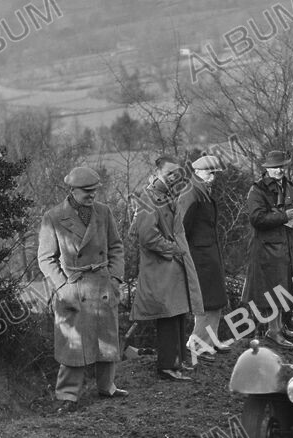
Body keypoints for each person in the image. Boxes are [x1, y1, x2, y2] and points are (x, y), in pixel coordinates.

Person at [37, 166, 126, 413]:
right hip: (73, 287)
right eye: (86, 191)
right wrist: (63, 286)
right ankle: (68, 397)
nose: (91, 195)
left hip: (102, 285)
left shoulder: (104, 212)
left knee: (107, 339)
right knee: (73, 345)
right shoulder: (53, 217)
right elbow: (45, 258)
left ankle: (107, 387)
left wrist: (116, 278)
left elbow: (117, 247)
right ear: (72, 190)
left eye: (94, 190)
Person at [131, 156, 205, 381]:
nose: (173, 177)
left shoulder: (169, 195)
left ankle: (179, 360)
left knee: (179, 312)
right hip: (162, 267)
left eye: (176, 173)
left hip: (174, 265)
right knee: (167, 316)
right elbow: (146, 235)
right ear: (157, 173)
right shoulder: (148, 198)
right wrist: (171, 249)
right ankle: (166, 367)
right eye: (169, 173)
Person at [242, 149, 293, 348]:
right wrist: (285, 216)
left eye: (281, 167)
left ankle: (282, 326)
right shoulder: (257, 190)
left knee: (287, 286)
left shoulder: (289, 187)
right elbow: (257, 219)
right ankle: (273, 330)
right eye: (275, 167)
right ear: (267, 168)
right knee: (273, 290)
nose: (279, 170)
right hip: (268, 249)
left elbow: (290, 213)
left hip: (287, 244)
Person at [177, 154, 231, 363]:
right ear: (197, 172)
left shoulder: (203, 191)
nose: (213, 177)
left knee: (216, 299)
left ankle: (211, 339)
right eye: (210, 172)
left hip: (209, 254)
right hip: (198, 256)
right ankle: (197, 344)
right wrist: (186, 256)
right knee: (205, 301)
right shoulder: (191, 193)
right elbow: (181, 229)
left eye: (215, 173)